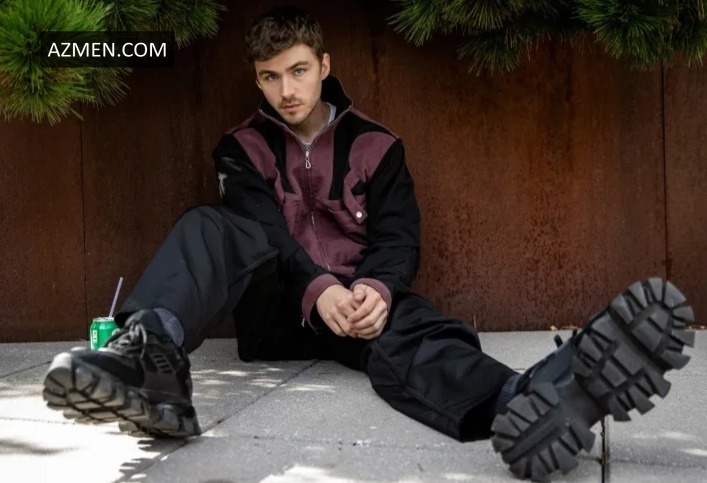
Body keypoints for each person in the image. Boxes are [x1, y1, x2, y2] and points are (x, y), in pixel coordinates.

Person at [42, 6, 696, 481]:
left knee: (416, 326)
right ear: (257, 78)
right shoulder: (239, 148)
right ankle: (148, 354)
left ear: (324, 65)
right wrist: (316, 288)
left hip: (360, 311)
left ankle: (526, 400)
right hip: (279, 311)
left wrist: (376, 289)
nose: (286, 90)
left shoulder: (378, 145)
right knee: (211, 224)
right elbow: (260, 231)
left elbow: (398, 237)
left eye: (299, 71)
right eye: (270, 77)